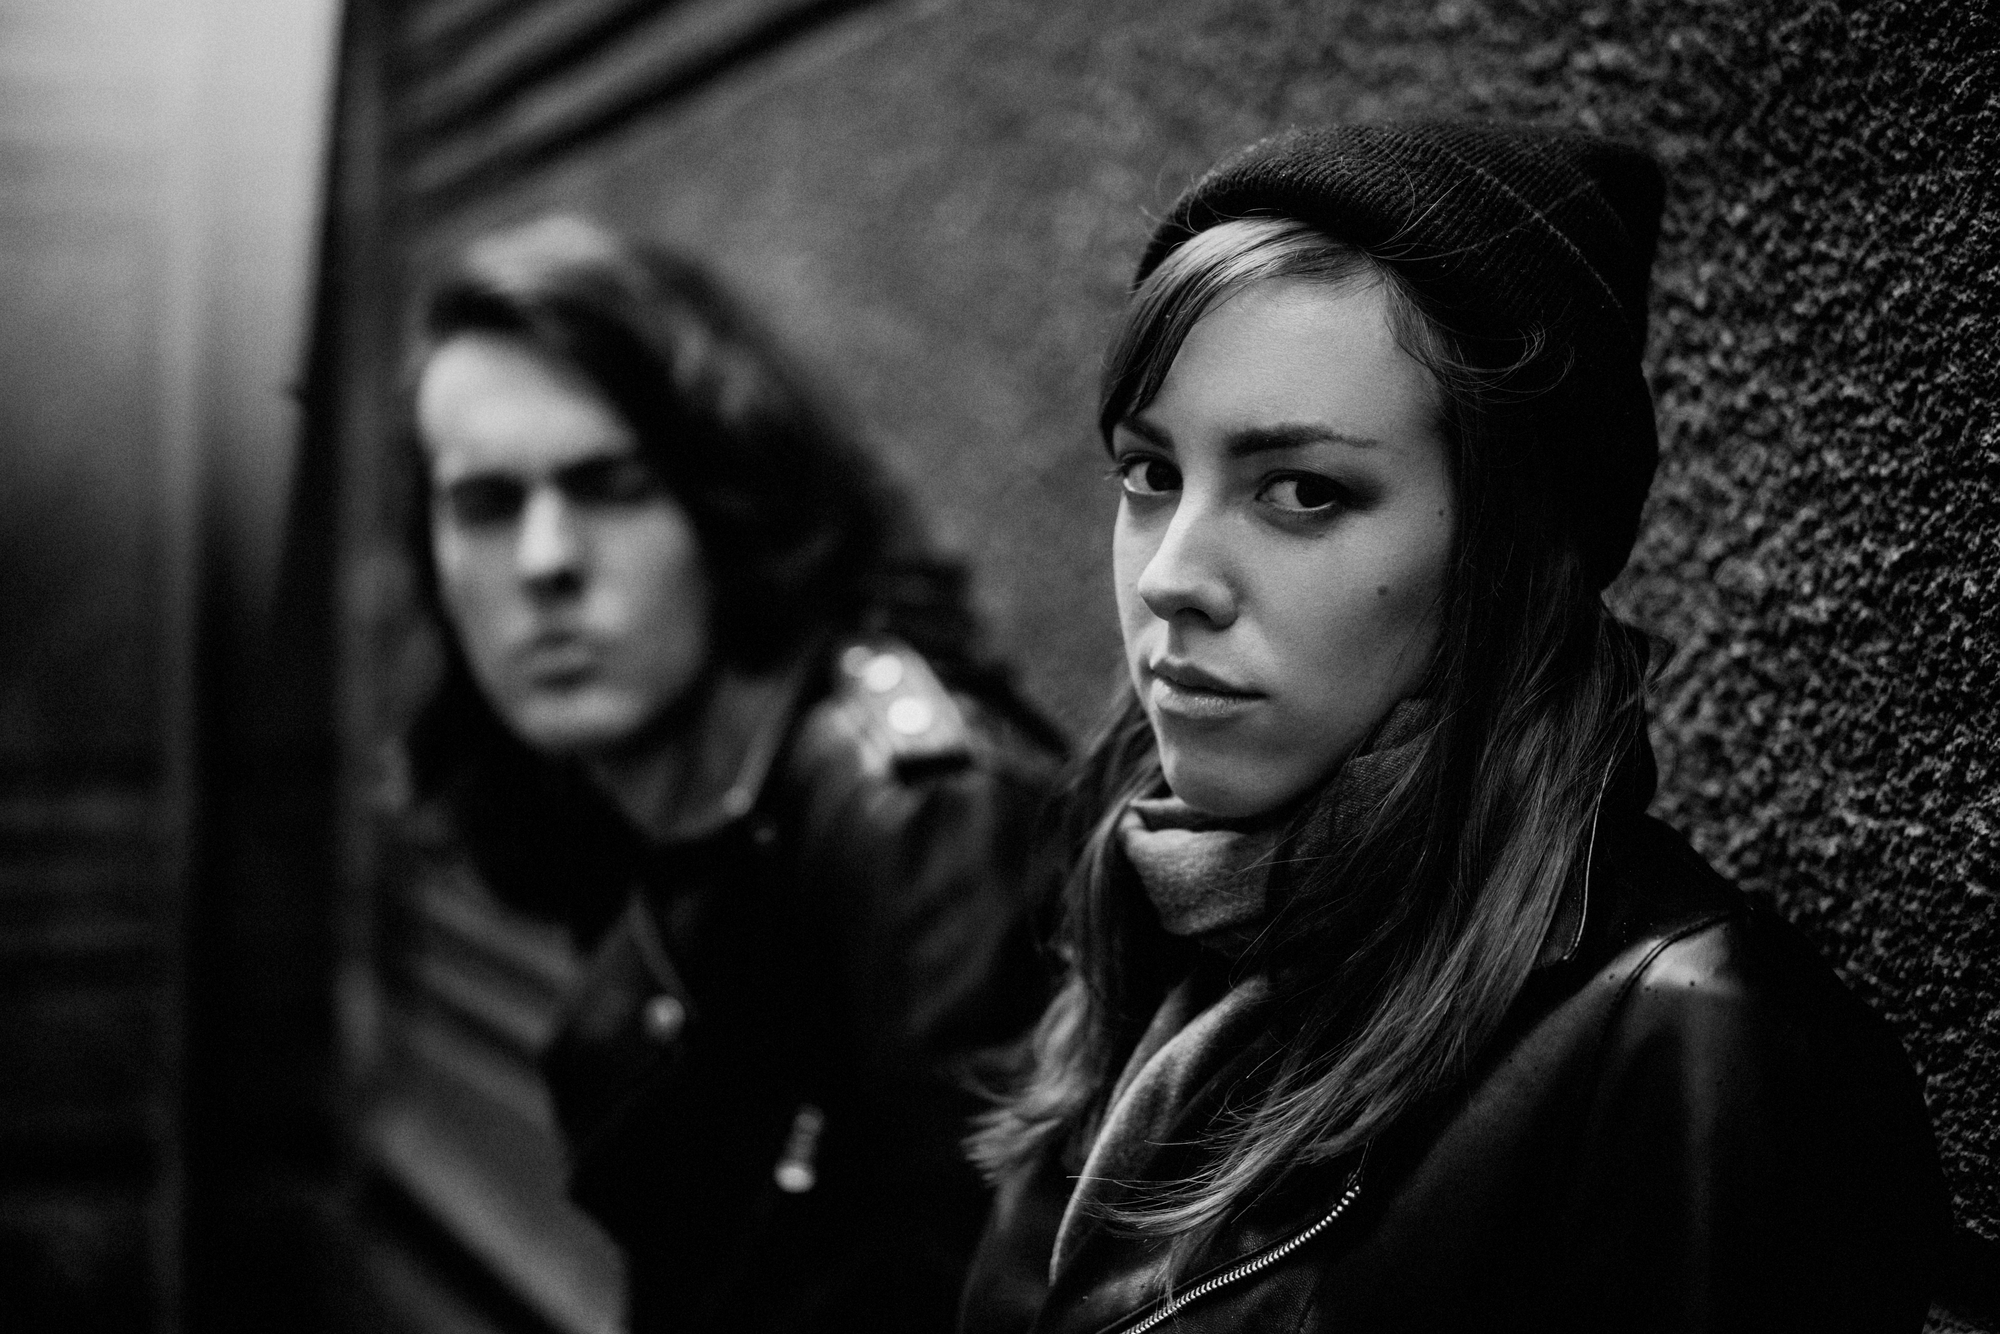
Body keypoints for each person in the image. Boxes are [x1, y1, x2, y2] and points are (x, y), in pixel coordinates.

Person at [959, 124, 1945, 1334]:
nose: (1171, 575)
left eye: (1303, 490)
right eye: (1149, 473)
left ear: (1509, 548)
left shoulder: (1685, 1050)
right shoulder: (1154, 926)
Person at [402, 215, 1064, 1333]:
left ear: (724, 498)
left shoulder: (912, 814)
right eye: (485, 503)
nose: (545, 560)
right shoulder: (622, 790)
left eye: (608, 484)